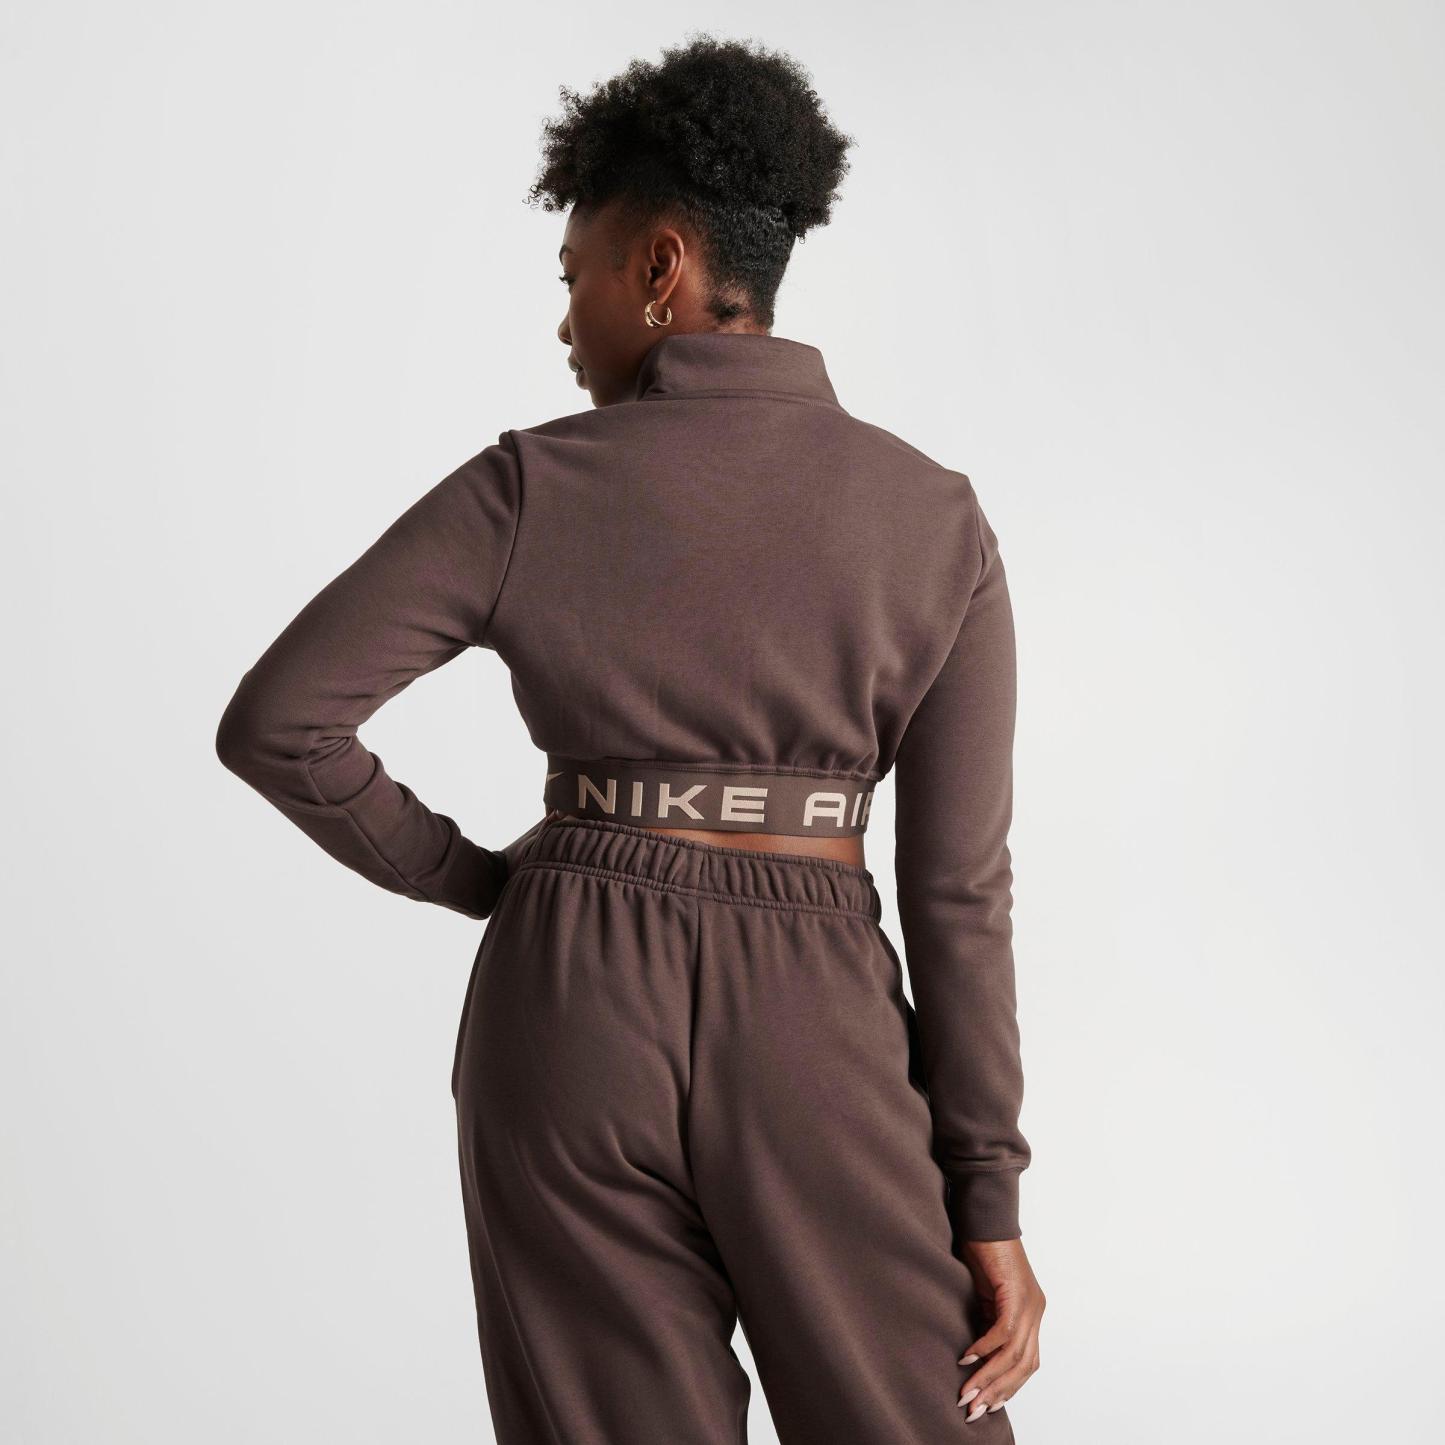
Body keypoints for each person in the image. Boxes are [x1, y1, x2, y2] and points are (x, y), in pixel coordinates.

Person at [216, 32, 1045, 1444]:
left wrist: (490, 880)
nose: (563, 324)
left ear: (660, 266)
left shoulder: (529, 485)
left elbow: (282, 724)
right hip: (818, 1021)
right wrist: (986, 1198)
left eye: (575, 275)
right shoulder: (934, 519)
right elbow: (958, 890)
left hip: (568, 1003)